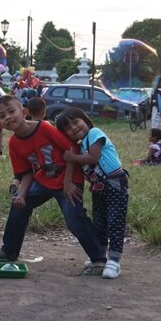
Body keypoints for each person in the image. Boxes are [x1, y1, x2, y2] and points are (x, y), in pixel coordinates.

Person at [0, 96, 107, 275]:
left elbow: (71, 149)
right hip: (44, 179)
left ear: (24, 112)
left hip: (69, 177)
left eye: (12, 111)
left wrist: (67, 183)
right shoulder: (14, 143)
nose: (9, 117)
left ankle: (98, 257)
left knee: (74, 219)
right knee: (19, 205)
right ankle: (9, 250)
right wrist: (21, 195)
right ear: (0, 124)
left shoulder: (44, 128)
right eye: (3, 116)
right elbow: (26, 171)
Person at [56, 107, 129, 279]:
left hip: (115, 182)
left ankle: (114, 261)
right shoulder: (79, 147)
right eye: (68, 128)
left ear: (86, 120)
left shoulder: (95, 133)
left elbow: (93, 158)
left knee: (115, 222)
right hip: (99, 187)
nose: (73, 128)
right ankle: (100, 255)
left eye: (76, 122)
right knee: (100, 222)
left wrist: (71, 158)